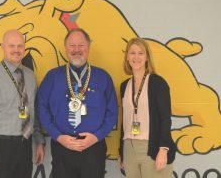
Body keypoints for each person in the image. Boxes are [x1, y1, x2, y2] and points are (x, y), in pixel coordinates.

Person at [38, 28, 118, 178]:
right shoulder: (52, 77)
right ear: (66, 48)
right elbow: (42, 108)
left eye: (81, 45)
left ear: (88, 48)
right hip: (62, 147)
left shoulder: (102, 77)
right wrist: (58, 136)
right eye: (72, 46)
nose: (76, 50)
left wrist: (96, 137)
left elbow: (112, 111)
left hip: (93, 147)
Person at [0, 30, 45, 178]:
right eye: (11, 45)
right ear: (3, 47)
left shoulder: (30, 76)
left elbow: (34, 113)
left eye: (20, 46)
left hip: (25, 146)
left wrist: (39, 141)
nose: (16, 50)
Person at [118, 37, 176, 178]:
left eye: (140, 53)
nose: (136, 57)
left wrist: (163, 149)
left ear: (147, 57)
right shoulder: (124, 85)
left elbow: (165, 119)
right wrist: (121, 152)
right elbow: (124, 120)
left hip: (152, 146)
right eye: (132, 53)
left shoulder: (158, 83)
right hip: (129, 148)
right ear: (127, 57)